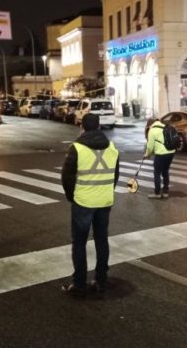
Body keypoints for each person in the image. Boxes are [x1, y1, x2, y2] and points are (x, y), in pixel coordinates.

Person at [61, 113, 120, 296]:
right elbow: (115, 175)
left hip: (83, 202)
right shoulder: (111, 147)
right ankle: (101, 280)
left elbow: (67, 177)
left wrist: (73, 196)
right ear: (99, 126)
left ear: (82, 127)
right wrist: (105, 192)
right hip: (104, 201)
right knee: (102, 240)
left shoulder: (77, 148)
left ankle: (79, 284)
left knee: (79, 243)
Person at [145, 118, 175, 199]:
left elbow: (150, 146)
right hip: (171, 152)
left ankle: (157, 193)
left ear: (150, 125)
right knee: (165, 171)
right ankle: (165, 192)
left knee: (157, 173)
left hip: (161, 154)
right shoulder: (165, 126)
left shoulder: (152, 130)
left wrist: (147, 155)